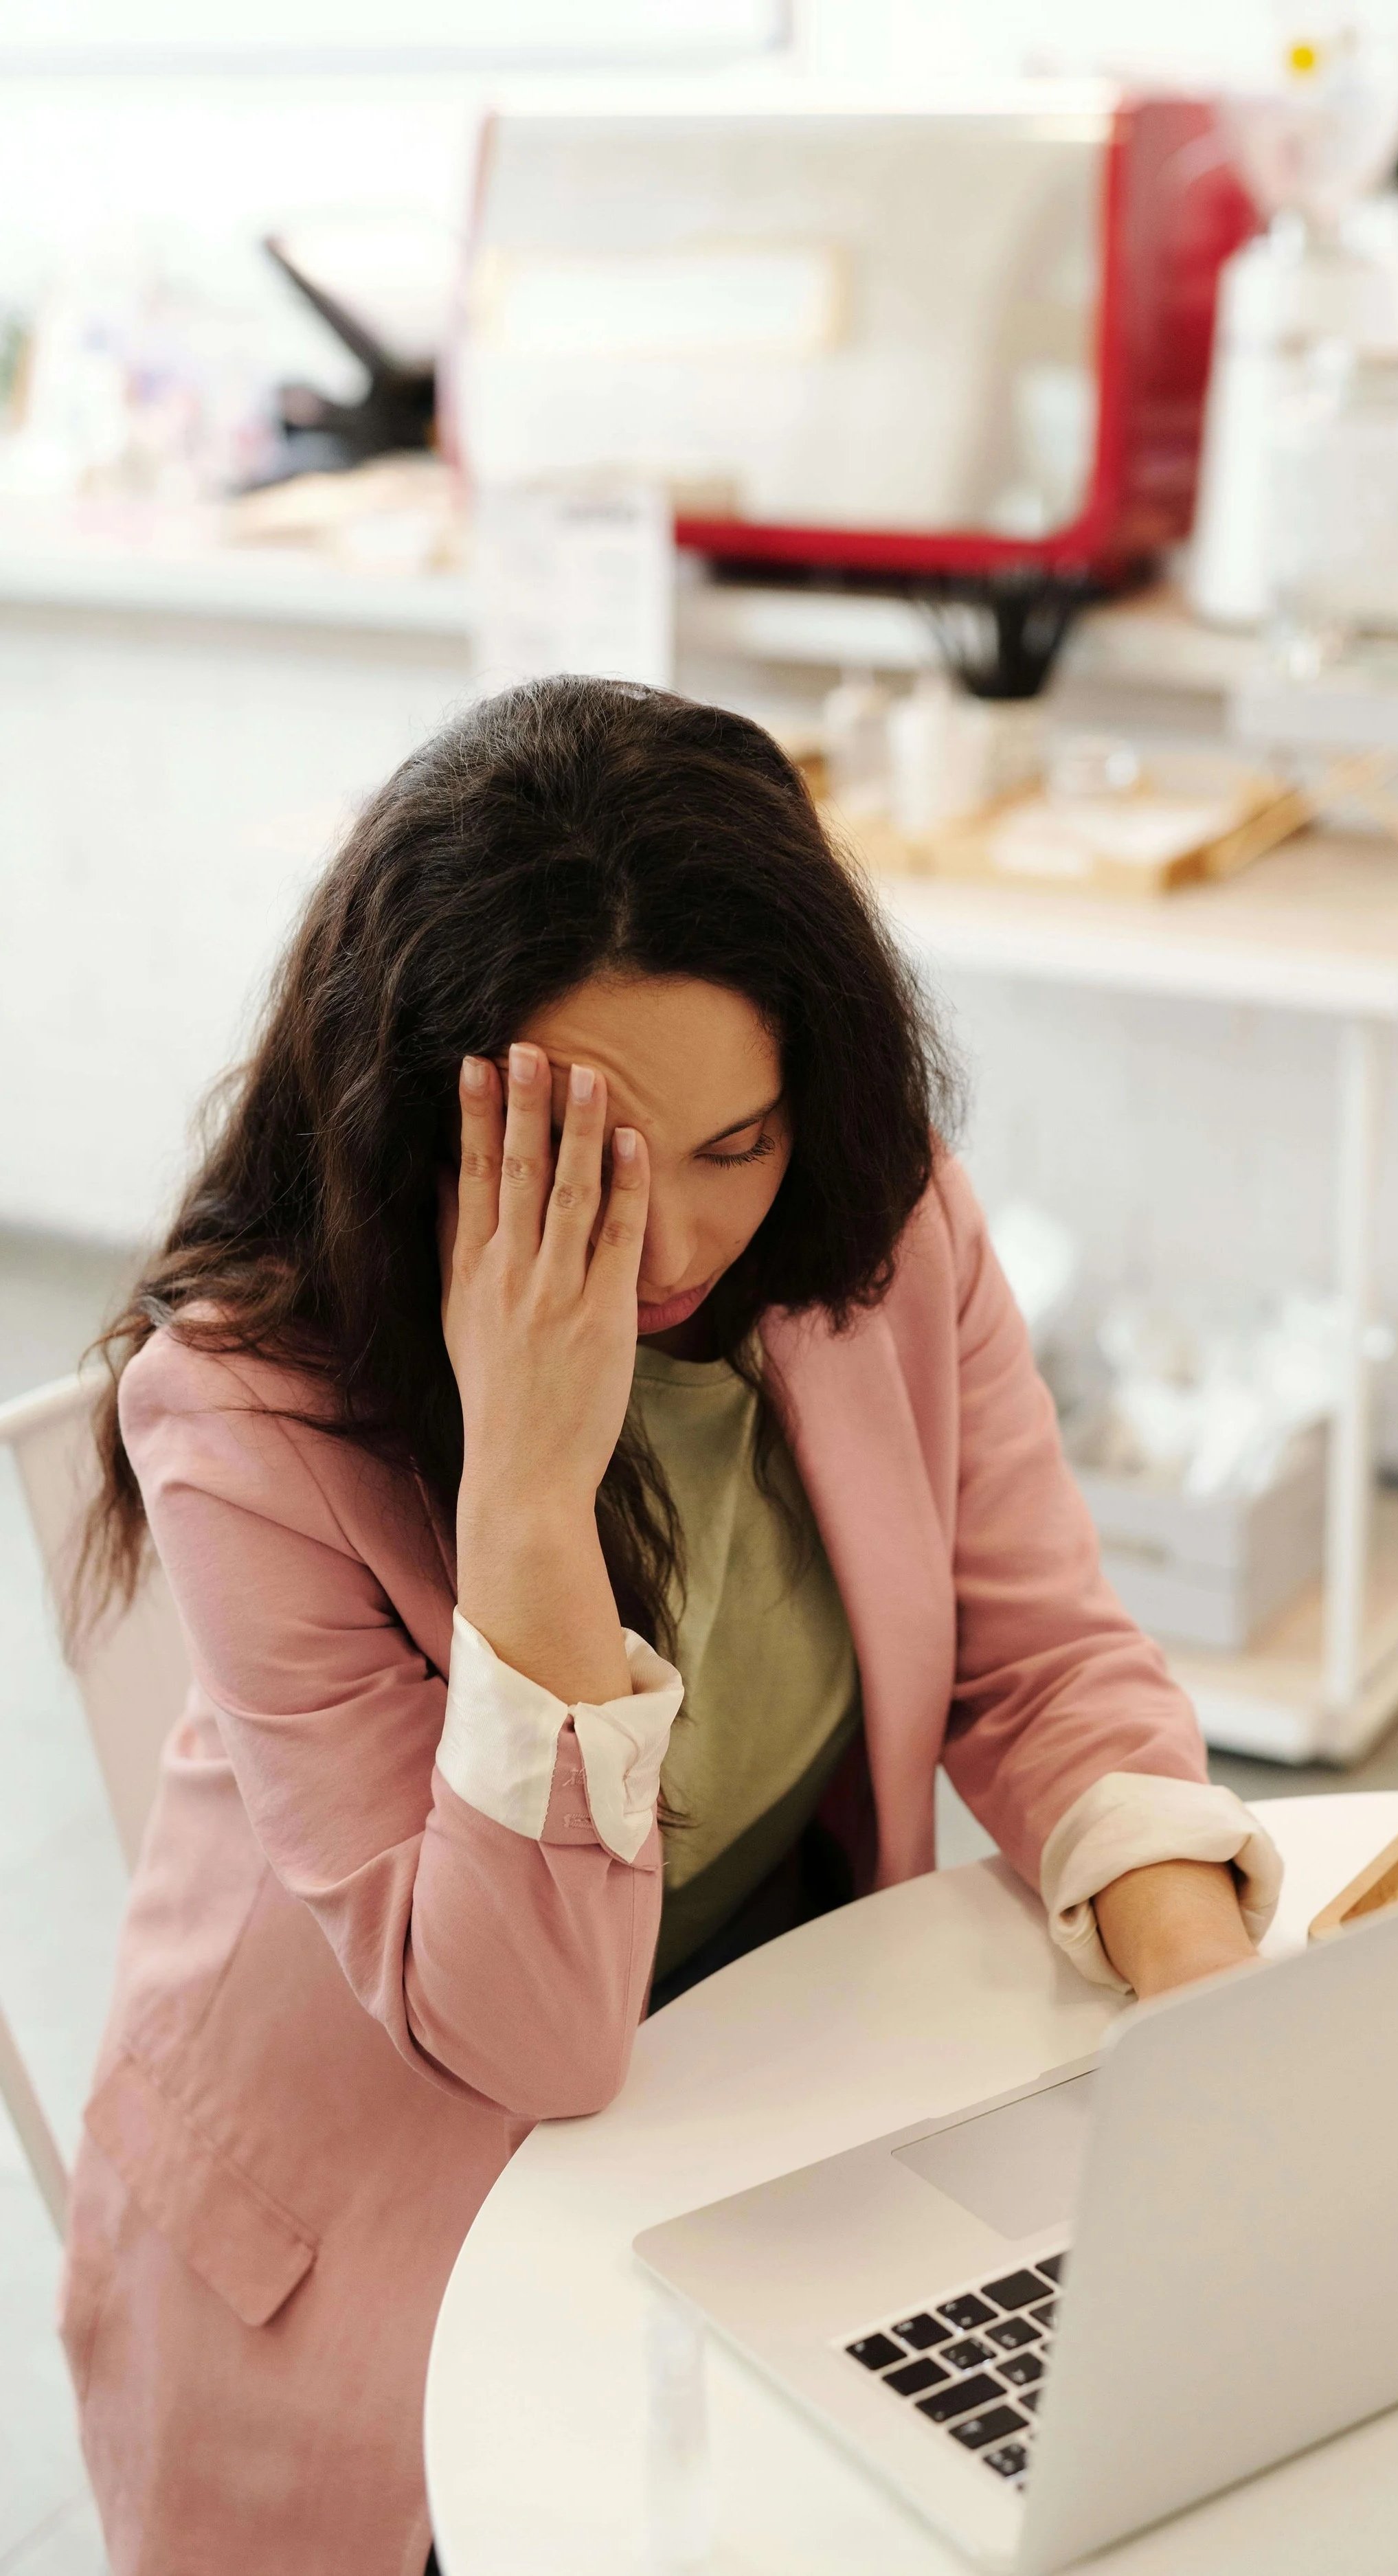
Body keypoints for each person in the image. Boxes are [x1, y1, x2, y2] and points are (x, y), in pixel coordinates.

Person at [63, 678, 1280, 2576]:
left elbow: (1037, 1658)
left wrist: (1228, 2016)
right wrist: (532, 1501)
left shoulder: (880, 1231)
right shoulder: (243, 1412)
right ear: (415, 1133)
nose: (680, 1245)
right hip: (384, 2214)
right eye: (590, 1166)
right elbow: (529, 2039)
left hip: (744, 2093)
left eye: (741, 1144)